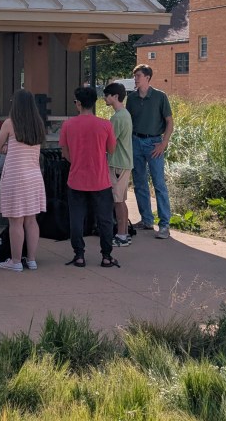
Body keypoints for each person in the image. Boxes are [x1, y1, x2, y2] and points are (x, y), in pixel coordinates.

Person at [59, 86, 119, 269]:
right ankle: (107, 256)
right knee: (105, 219)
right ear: (94, 103)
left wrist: (76, 160)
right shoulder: (105, 125)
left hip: (76, 178)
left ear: (78, 103)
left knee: (76, 218)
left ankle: (79, 255)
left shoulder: (68, 125)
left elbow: (65, 153)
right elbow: (111, 150)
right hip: (100, 180)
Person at [0, 89, 46, 272]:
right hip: (34, 177)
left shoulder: (9, 123)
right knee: (31, 221)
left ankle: (15, 261)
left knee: (15, 221)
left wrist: (10, 148)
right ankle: (31, 260)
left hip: (15, 177)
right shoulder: (38, 124)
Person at [126, 64, 174, 239]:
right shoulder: (131, 98)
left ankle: (164, 225)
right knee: (139, 183)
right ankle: (146, 220)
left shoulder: (160, 97)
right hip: (135, 141)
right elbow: (127, 122)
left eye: (138, 76)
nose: (135, 79)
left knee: (159, 184)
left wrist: (163, 143)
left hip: (154, 143)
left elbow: (169, 122)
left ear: (147, 77)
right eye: (134, 76)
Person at [103, 82, 133, 247]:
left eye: (107, 95)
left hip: (118, 163)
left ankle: (121, 235)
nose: (105, 98)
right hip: (124, 162)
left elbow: (110, 143)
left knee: (117, 200)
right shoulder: (125, 114)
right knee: (121, 198)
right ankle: (125, 233)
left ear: (115, 96)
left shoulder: (117, 117)